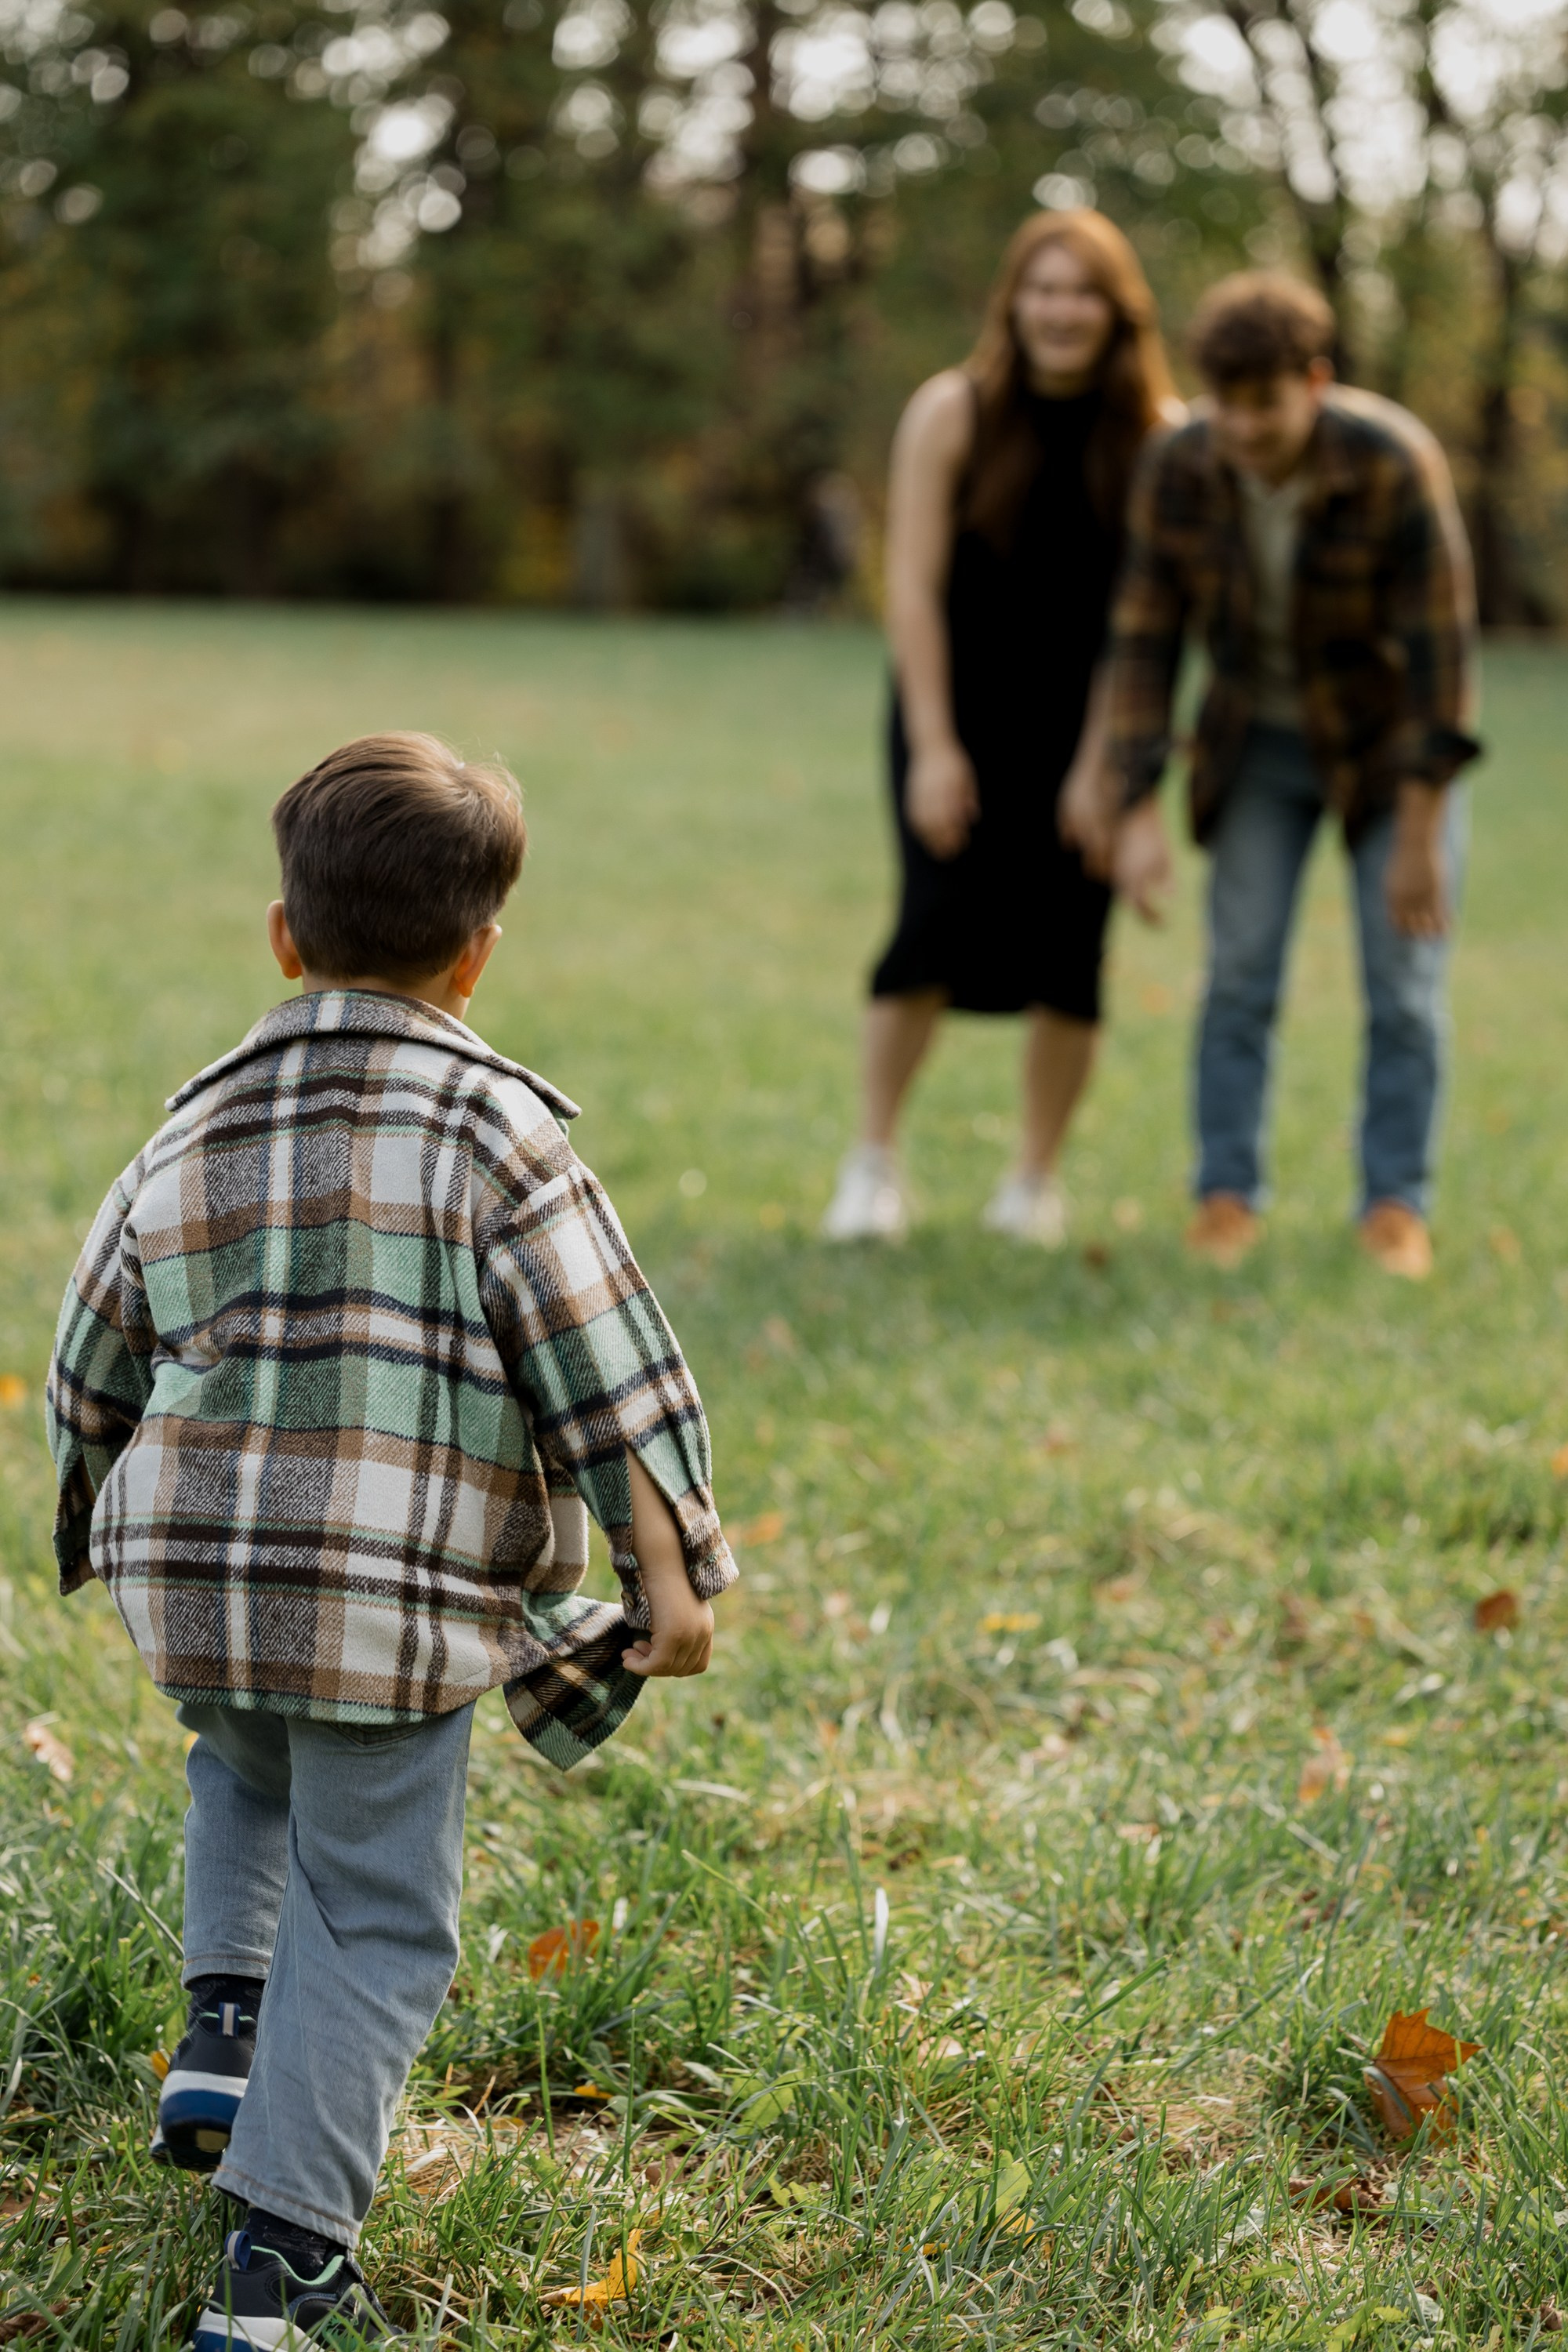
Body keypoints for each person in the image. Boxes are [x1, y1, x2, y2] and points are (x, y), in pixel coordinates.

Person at [45, 733, 735, 2347]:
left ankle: (225, 2022)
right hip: (387, 1594)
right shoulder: (499, 1131)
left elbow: (96, 1338)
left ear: (282, 937)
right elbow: (607, 1361)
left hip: (200, 1575)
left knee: (242, 1766)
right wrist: (672, 1572)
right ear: (479, 956)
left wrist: (86, 1513)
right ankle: (282, 2254)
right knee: (377, 1913)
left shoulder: (191, 1123)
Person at [1105, 273, 1478, 1277]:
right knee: (1237, 977)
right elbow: (1141, 644)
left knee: (1402, 985)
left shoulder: (1393, 461)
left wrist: (1416, 836)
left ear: (1313, 382)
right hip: (1253, 746)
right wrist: (1132, 801)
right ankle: (1225, 1199)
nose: (1238, 425)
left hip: (1384, 752)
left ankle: (1394, 1207)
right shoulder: (1179, 465)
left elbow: (1442, 667)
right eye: (1220, 401)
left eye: (1261, 403)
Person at [821, 208, 1178, 1247]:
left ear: (1119, 311)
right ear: (1013, 302)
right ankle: (873, 1162)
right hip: (955, 715)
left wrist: (1104, 768)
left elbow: (1144, 622)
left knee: (1073, 946)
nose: (1062, 310)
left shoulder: (1157, 434)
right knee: (927, 931)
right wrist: (934, 747)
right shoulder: (954, 411)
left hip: (1088, 726)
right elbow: (915, 594)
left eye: (1084, 292)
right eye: (1044, 288)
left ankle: (1033, 1180)